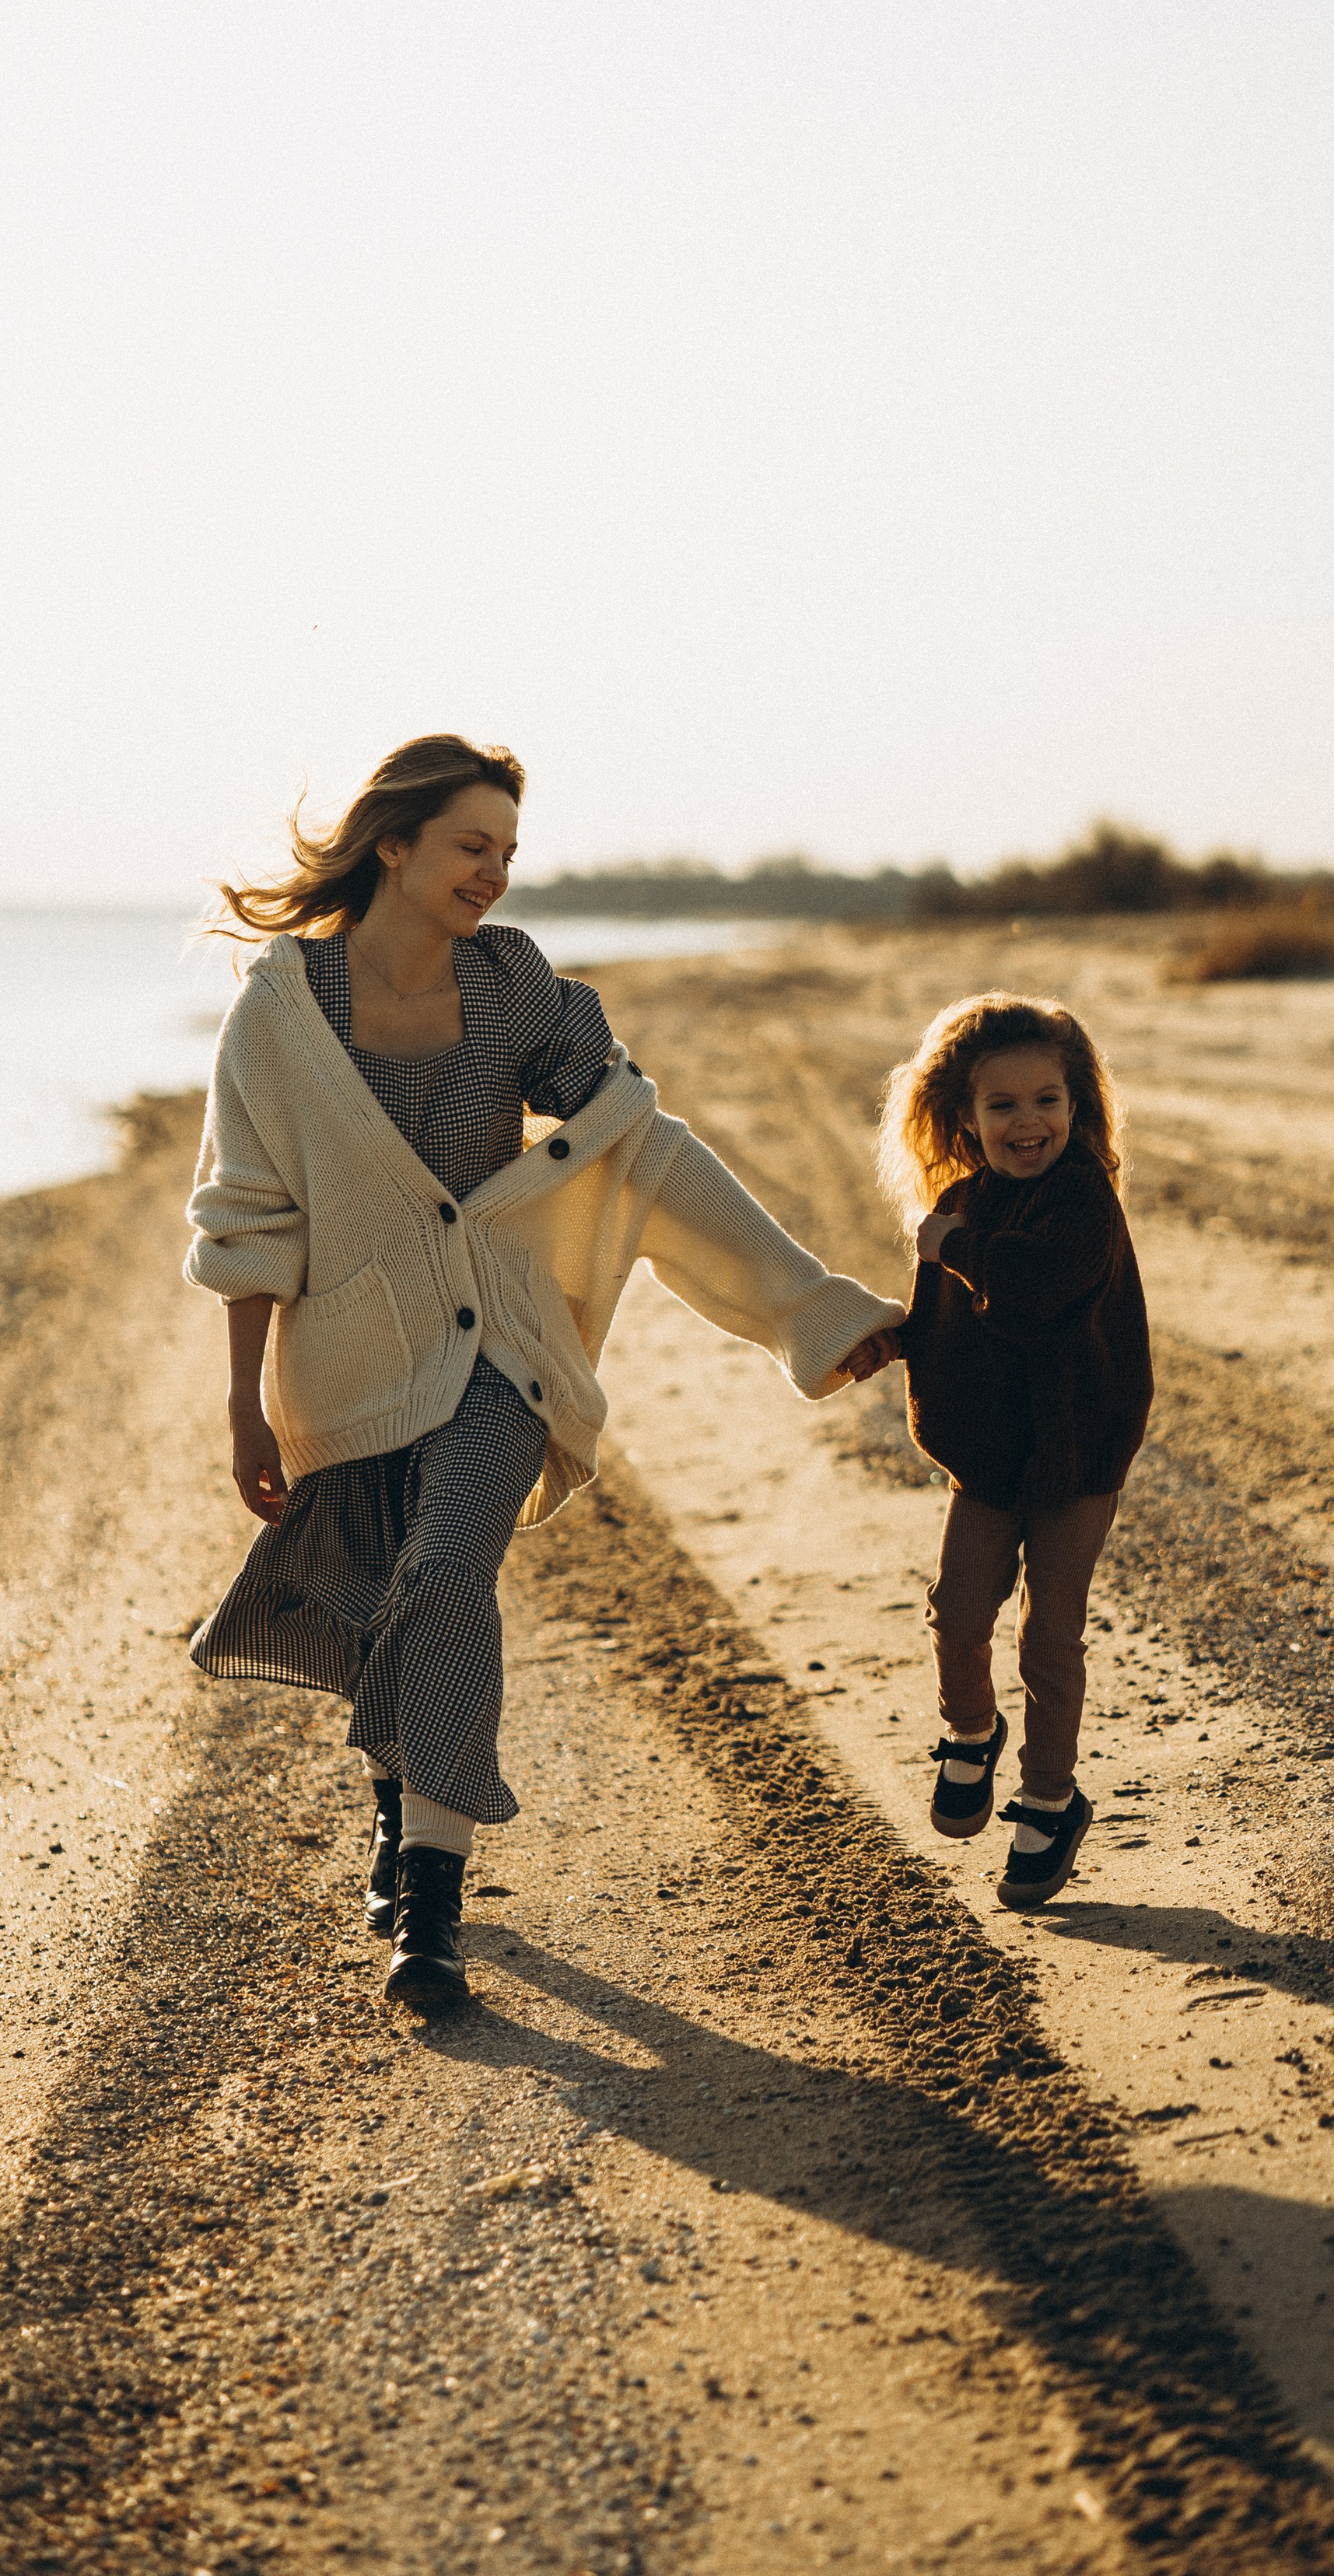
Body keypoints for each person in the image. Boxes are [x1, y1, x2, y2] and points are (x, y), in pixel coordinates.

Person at [185, 732, 902, 2014]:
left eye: (509, 852)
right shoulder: (283, 1010)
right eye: (473, 846)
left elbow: (639, 1149)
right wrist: (243, 1402)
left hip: (502, 1350)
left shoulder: (515, 989)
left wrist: (815, 1307)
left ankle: (434, 1916)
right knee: (387, 1592)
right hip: (347, 1360)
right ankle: (402, 1814)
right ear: (392, 843)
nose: (495, 875)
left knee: (450, 1570)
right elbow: (249, 1222)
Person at [877, 994, 1153, 1910]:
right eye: (1002, 1107)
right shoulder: (958, 1206)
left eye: (1047, 1101)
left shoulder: (1083, 1202)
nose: (1027, 1123)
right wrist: (888, 1337)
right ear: (965, 1118)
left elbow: (1033, 1288)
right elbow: (947, 1333)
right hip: (993, 1459)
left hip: (1079, 1450)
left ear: (1077, 1109)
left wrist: (954, 1248)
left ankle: (1047, 1801)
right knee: (958, 1611)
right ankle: (969, 1735)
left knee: (1049, 1631)